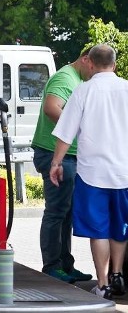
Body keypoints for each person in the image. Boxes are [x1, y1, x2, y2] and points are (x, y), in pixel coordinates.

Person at [49, 44, 128, 300]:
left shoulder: (83, 91)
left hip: (92, 173)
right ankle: (118, 274)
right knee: (120, 225)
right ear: (114, 65)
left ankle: (103, 283)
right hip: (124, 171)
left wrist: (56, 163)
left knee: (99, 229)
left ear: (91, 64)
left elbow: (65, 130)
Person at [31, 47, 94, 283]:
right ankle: (52, 266)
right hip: (54, 154)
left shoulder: (77, 78)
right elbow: (51, 107)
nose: (95, 73)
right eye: (94, 67)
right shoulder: (65, 77)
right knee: (57, 212)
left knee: (66, 212)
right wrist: (78, 125)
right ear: (86, 59)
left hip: (68, 155)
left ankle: (65, 265)